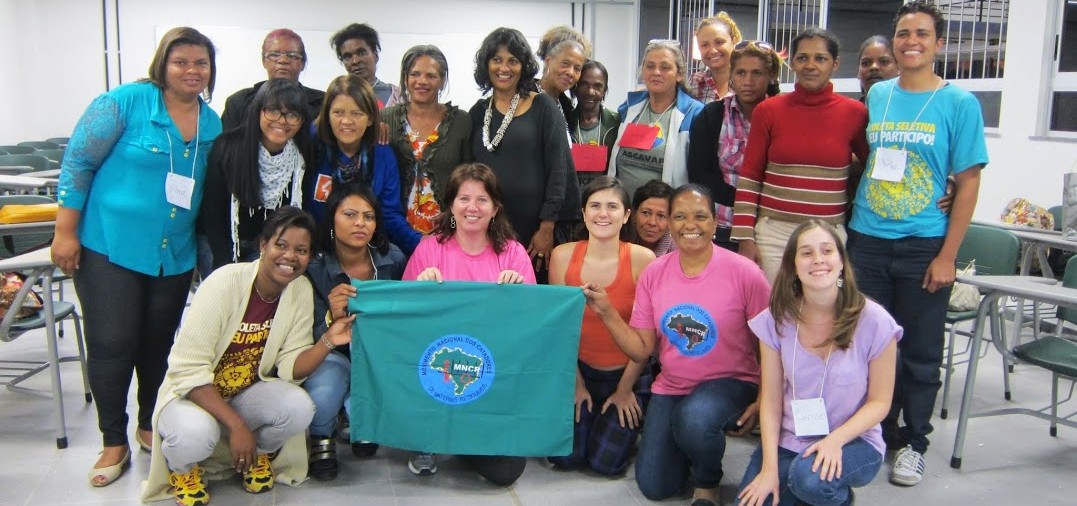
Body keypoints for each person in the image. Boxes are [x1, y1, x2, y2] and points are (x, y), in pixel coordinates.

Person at [52, 27, 222, 488]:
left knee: (157, 343)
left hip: (174, 253)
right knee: (112, 341)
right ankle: (113, 440)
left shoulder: (212, 123)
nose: (191, 71)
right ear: (162, 64)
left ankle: (148, 425)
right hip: (110, 245)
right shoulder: (124, 103)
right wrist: (65, 231)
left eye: (201, 63)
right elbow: (78, 163)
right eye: (181, 61)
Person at [848, 0, 987, 488]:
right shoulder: (878, 95)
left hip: (923, 244)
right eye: (904, 32)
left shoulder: (959, 103)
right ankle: (876, 430)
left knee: (922, 351)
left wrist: (948, 255)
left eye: (922, 34)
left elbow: (967, 182)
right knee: (867, 345)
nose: (911, 41)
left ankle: (914, 441)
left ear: (938, 43)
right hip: (866, 239)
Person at [141, 208, 354, 505]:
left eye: (301, 250)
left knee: (299, 407)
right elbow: (187, 371)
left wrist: (329, 340)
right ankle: (183, 469)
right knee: (195, 434)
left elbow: (292, 367)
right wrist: (238, 426)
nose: (290, 256)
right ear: (263, 245)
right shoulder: (223, 282)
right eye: (281, 245)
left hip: (244, 393)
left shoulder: (299, 290)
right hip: (191, 395)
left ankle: (258, 456)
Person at [586, 184, 770, 506]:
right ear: (671, 224)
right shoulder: (655, 273)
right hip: (673, 385)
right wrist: (606, 311)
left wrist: (764, 399)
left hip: (731, 382)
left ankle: (707, 480)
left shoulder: (746, 273)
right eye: (680, 216)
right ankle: (694, 443)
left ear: (715, 223)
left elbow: (771, 344)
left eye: (700, 216)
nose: (690, 224)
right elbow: (641, 349)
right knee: (655, 485)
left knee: (695, 418)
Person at [737, 220, 901, 506]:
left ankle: (837, 498)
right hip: (793, 437)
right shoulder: (776, 320)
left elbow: (880, 403)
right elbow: (772, 401)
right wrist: (769, 470)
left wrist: (834, 441)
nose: (818, 260)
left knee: (808, 480)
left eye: (827, 251)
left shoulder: (875, 321)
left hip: (854, 440)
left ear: (841, 262)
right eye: (807, 253)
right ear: (793, 266)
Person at [402, 163, 535, 486]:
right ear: (450, 205)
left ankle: (462, 439)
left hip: (492, 374)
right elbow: (404, 320)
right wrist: (421, 292)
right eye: (463, 199)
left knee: (506, 472)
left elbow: (533, 326)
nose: (472, 208)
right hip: (438, 369)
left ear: (495, 208)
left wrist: (519, 296)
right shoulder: (429, 248)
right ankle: (431, 437)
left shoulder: (514, 253)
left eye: (482, 200)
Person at [730, 28, 869, 283]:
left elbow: (871, 166)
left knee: (822, 314)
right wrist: (745, 237)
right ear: (792, 62)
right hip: (773, 236)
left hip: (827, 236)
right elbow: (750, 175)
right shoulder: (769, 111)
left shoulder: (854, 113)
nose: (810, 65)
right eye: (803, 58)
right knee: (774, 315)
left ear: (835, 64)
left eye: (820, 58)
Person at [547, 176, 655, 476]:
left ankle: (633, 425)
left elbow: (647, 339)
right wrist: (576, 384)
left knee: (605, 464)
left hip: (627, 373)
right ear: (583, 213)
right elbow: (558, 331)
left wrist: (624, 390)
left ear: (627, 215)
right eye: (594, 206)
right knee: (566, 459)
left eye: (612, 206)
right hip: (579, 370)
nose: (603, 214)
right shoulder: (563, 255)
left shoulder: (643, 259)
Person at [303, 182, 407, 481]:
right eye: (350, 214)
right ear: (332, 219)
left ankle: (359, 418)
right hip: (331, 353)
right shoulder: (314, 266)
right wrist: (332, 318)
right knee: (325, 389)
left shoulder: (393, 259)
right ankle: (321, 437)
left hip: (379, 354)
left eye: (369, 216)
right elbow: (303, 333)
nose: (361, 223)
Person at [469, 27, 575, 275]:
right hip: (487, 227)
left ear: (524, 66)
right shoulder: (478, 112)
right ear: (486, 65)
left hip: (534, 231)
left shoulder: (543, 107)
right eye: (496, 60)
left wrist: (547, 227)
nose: (503, 68)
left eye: (512, 61)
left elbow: (559, 170)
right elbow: (468, 174)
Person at [202, 79, 315, 270]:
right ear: (258, 110)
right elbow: (212, 211)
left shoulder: (303, 155)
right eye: (273, 111)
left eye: (292, 115)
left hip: (273, 247)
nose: (281, 121)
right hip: (225, 242)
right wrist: (225, 265)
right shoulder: (228, 146)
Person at [306, 75, 421, 254]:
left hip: (367, 250)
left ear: (370, 118)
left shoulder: (383, 154)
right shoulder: (311, 146)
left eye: (357, 113)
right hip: (317, 250)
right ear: (327, 115)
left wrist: (425, 245)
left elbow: (389, 216)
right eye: (338, 112)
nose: (346, 121)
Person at [688, 40, 782, 251]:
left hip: (772, 225)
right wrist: (742, 200)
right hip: (722, 224)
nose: (748, 80)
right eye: (740, 73)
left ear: (771, 76)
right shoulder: (712, 115)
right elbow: (699, 173)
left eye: (757, 73)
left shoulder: (784, 116)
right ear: (731, 75)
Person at [382, 45, 473, 235]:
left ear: (442, 81)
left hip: (448, 229)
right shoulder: (384, 119)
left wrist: (454, 214)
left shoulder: (461, 121)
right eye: (415, 74)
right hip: (394, 230)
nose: (422, 81)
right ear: (405, 78)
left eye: (431, 76)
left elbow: (469, 176)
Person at [608, 39, 704, 200]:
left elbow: (699, 174)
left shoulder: (694, 114)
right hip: (623, 210)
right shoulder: (628, 108)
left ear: (679, 74)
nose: (656, 72)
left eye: (665, 67)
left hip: (664, 213)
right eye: (650, 66)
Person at [219, 29, 325, 131]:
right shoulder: (238, 102)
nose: (283, 60)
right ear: (264, 61)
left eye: (292, 55)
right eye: (274, 55)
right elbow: (227, 147)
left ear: (302, 63)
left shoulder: (323, 103)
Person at [331, 22, 401, 108]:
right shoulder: (335, 97)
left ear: (375, 55)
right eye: (348, 56)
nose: (355, 61)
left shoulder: (397, 96)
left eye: (361, 53)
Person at [687, 12, 743, 103]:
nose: (713, 50)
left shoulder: (747, 80)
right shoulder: (695, 82)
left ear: (733, 41)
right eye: (705, 45)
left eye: (719, 42)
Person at [630, 179, 675, 256]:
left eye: (661, 216)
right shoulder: (619, 240)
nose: (652, 222)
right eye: (646, 213)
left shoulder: (678, 252)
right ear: (633, 214)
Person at [857, 35, 899, 100]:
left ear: (898, 68)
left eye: (884, 62)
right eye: (866, 63)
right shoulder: (852, 110)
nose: (874, 67)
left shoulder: (912, 109)